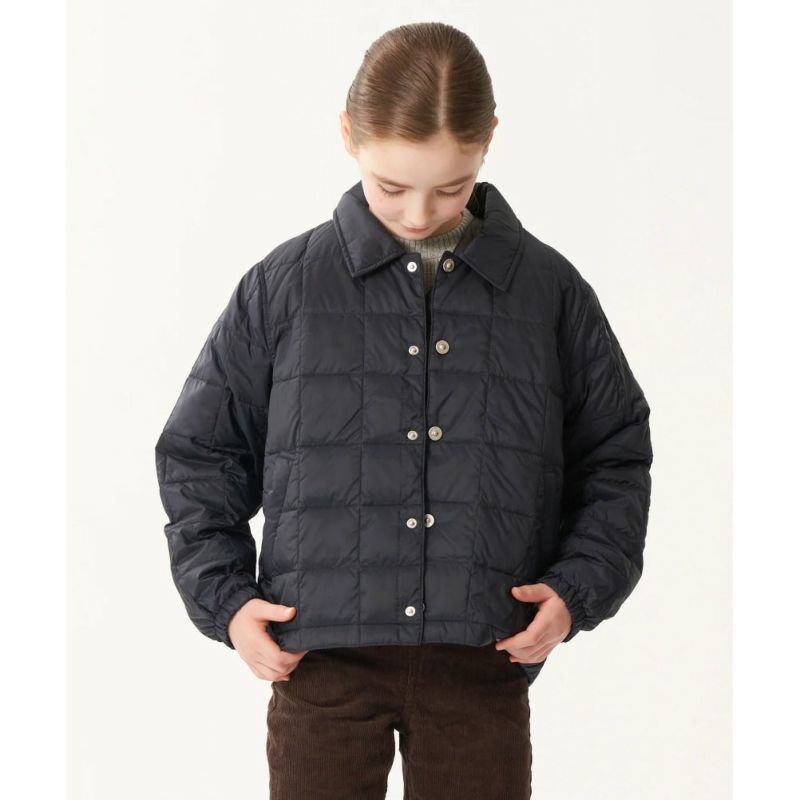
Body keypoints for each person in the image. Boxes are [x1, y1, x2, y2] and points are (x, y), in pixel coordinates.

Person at [154, 21, 653, 800]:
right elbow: (201, 453)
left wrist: (576, 588)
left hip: (483, 657)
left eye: (450, 188)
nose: (419, 214)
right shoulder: (285, 288)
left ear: (488, 141)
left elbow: (614, 456)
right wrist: (227, 600)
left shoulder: (546, 292)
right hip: (320, 657)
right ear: (348, 136)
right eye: (391, 187)